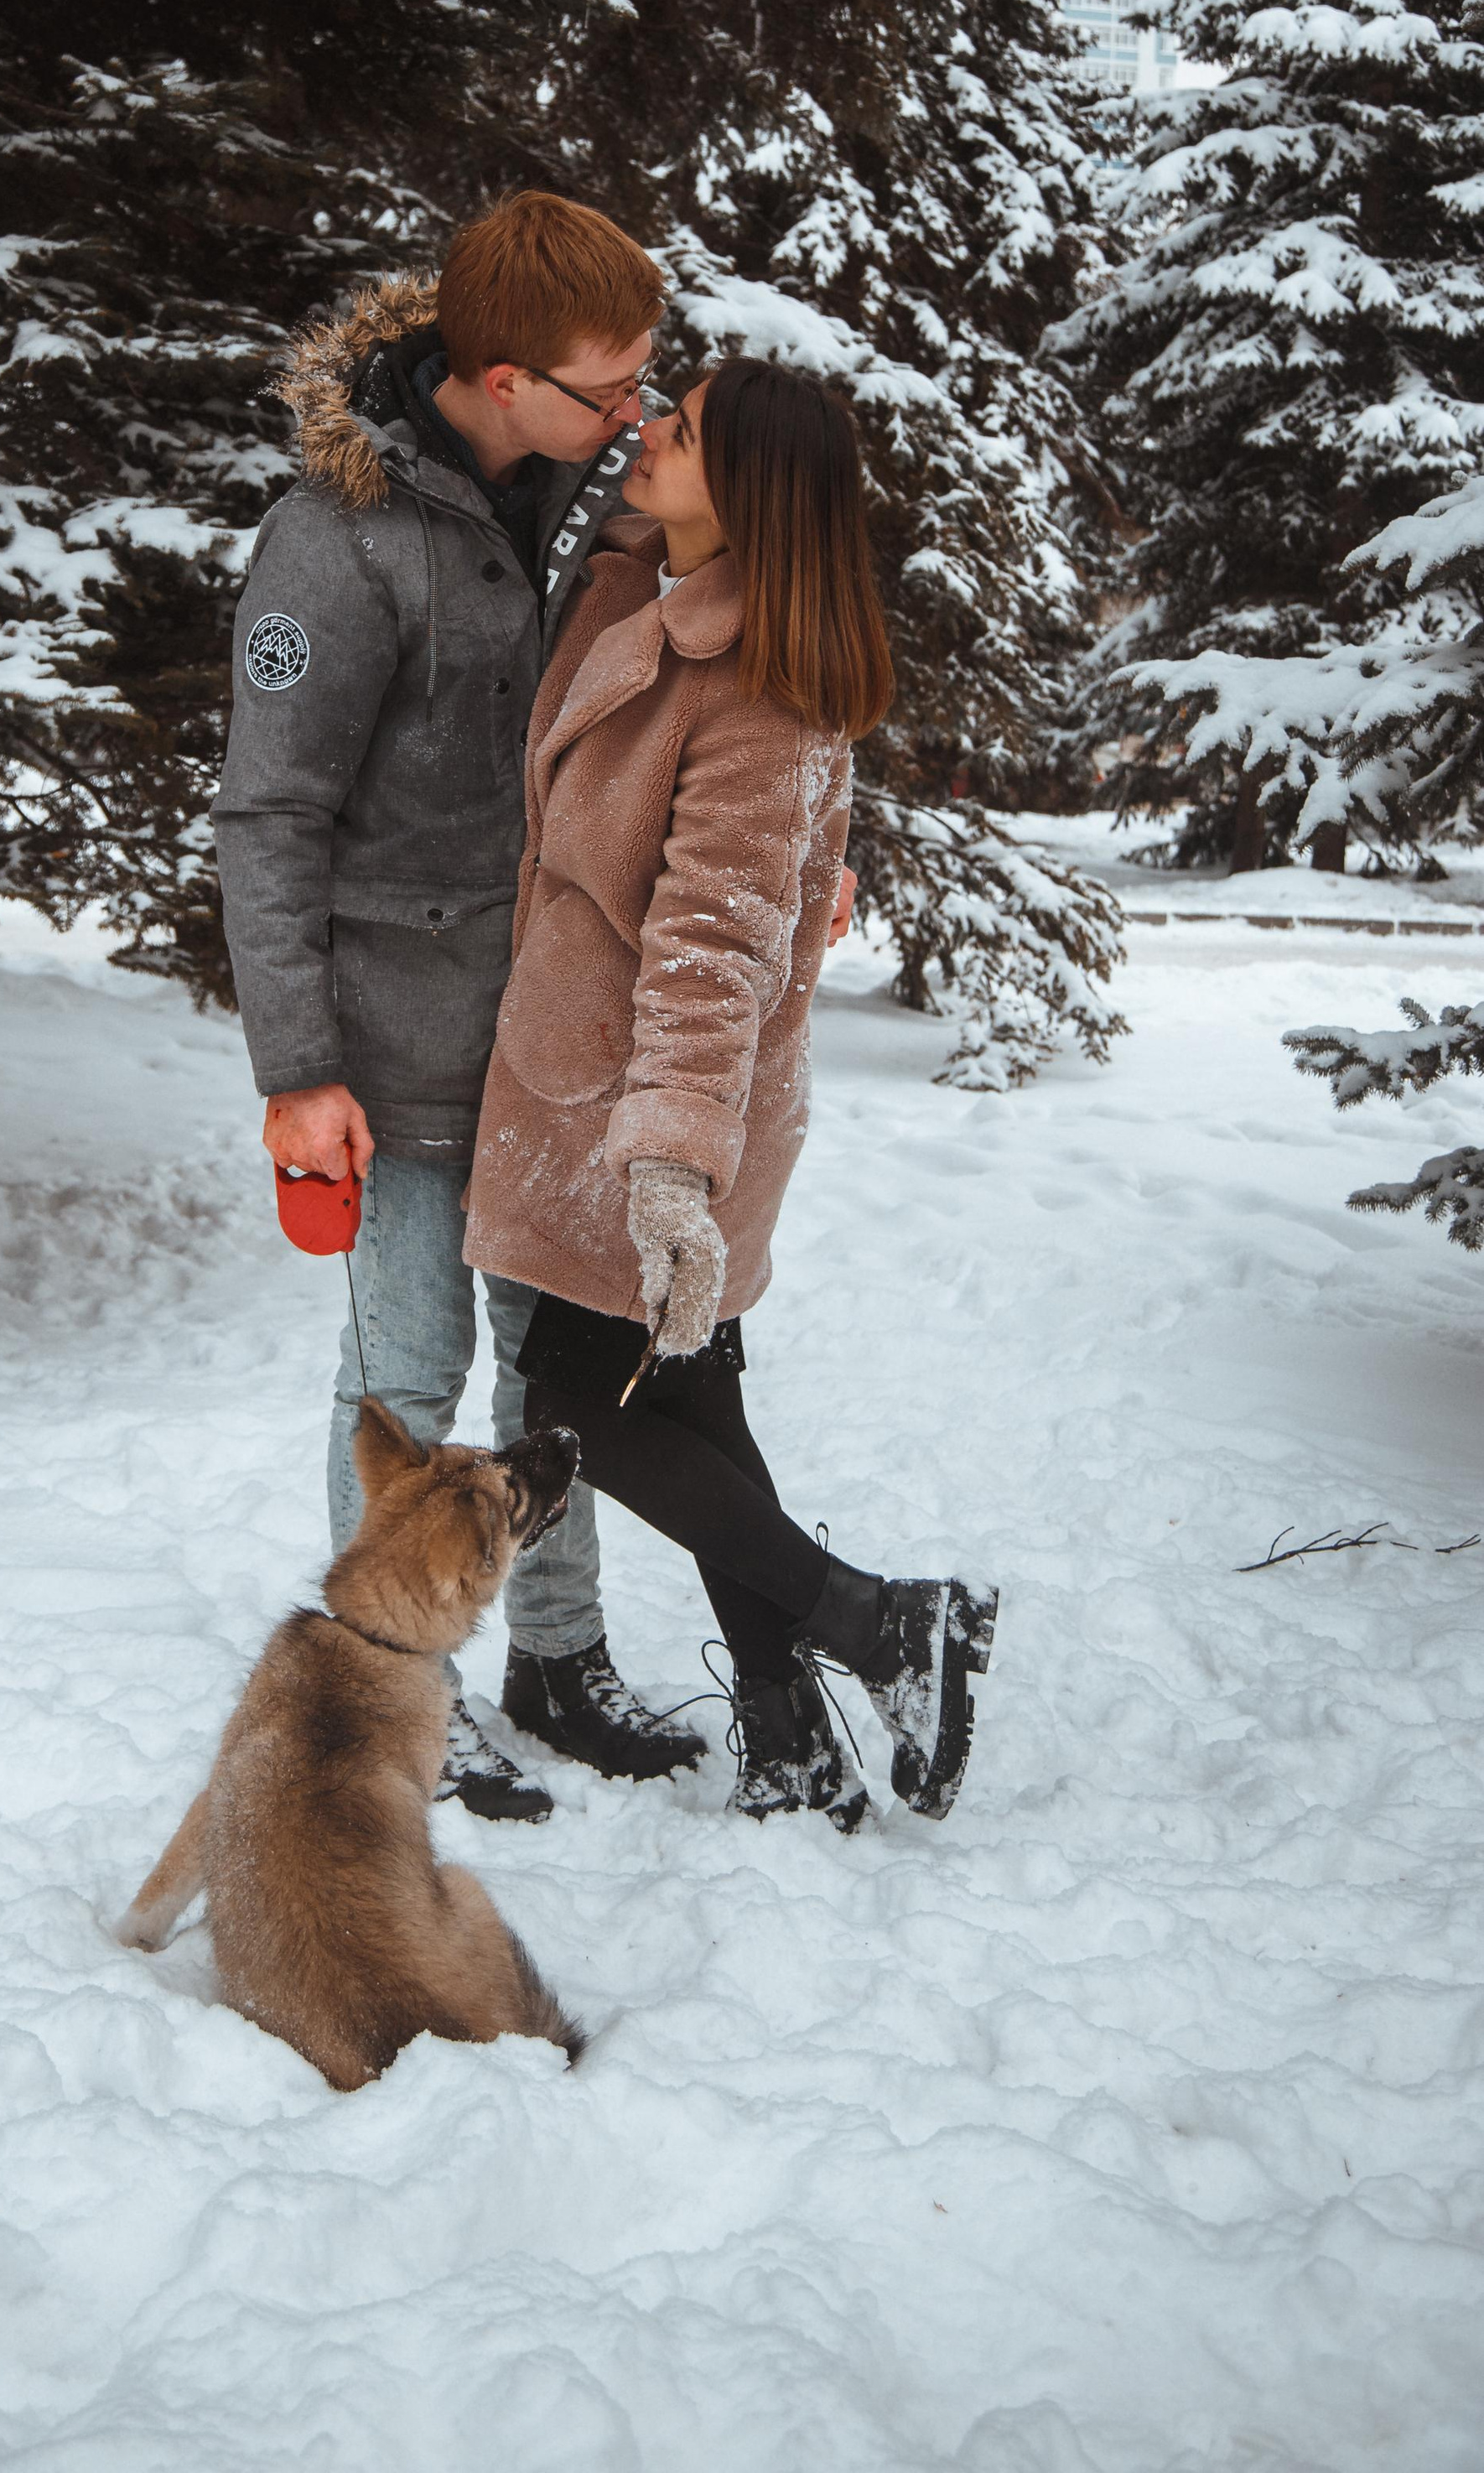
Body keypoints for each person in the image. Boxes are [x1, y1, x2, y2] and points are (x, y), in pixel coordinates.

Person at [214, 191, 708, 1821]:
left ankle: (552, 1661)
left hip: (561, 1034)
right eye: (602, 384)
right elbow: (269, 814)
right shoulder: (334, 545)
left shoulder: (604, 503)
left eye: (648, 379)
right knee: (407, 1372)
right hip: (401, 1045)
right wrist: (296, 1066)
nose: (636, 410)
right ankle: (391, 1681)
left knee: (552, 1381)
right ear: (498, 378)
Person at [462, 360, 997, 1831]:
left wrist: (669, 1168)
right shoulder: (652, 594)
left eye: (682, 430)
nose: (649, 432)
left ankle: (889, 1626)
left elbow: (709, 950)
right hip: (599, 1079)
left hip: (646, 1104)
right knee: (686, 1399)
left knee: (579, 1398)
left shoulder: (757, 687)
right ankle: (791, 1740)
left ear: (749, 488)